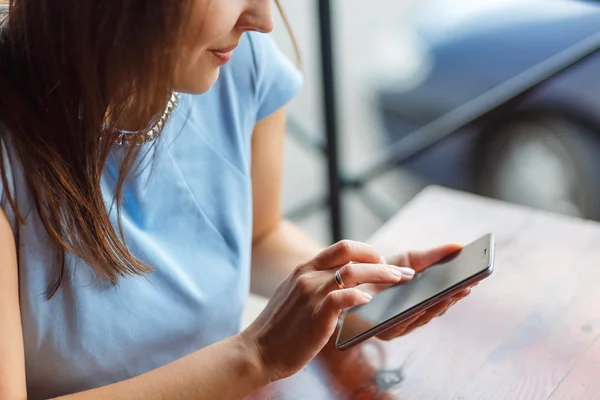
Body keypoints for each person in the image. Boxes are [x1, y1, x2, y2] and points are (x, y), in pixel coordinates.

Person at [0, 0, 472, 399]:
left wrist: (345, 295)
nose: (263, 19)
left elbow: (259, 238)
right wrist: (254, 356)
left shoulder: (236, 61)